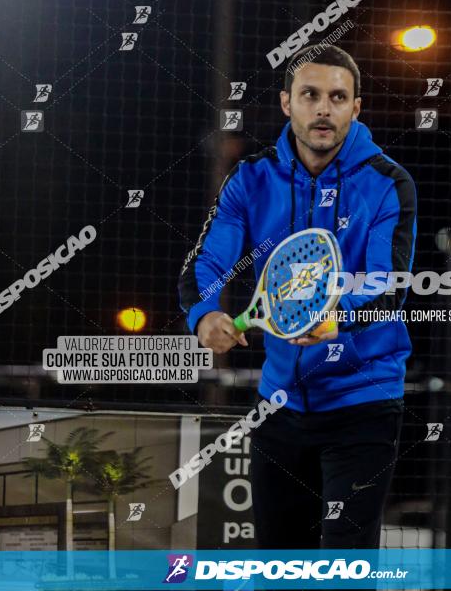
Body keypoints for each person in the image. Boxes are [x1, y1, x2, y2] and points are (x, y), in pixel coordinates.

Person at [178, 44, 417, 549]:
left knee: (342, 574)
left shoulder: (388, 183)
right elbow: (207, 261)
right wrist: (204, 314)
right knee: (282, 571)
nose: (324, 109)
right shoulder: (250, 177)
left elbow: (387, 286)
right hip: (279, 407)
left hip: (364, 406)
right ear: (288, 103)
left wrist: (332, 320)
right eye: (310, 95)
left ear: (357, 107)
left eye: (338, 97)